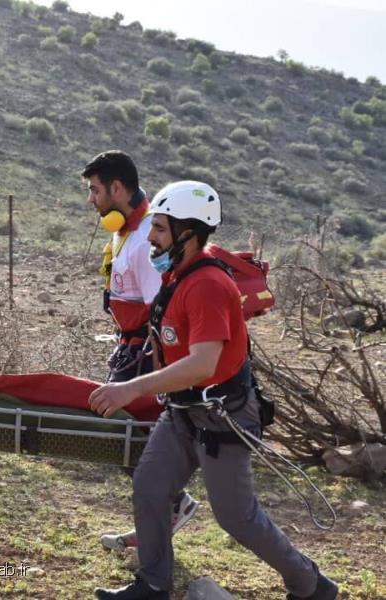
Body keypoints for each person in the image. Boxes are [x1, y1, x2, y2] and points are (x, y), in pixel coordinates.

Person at [90, 180, 337, 600]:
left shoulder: (206, 285)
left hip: (222, 417)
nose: (150, 236)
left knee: (237, 517)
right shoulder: (177, 275)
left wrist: (131, 389)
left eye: (161, 229)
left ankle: (311, 585)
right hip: (184, 412)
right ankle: (152, 584)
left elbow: (203, 364)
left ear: (190, 233)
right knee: (150, 486)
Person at [82, 151, 199, 552]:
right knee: (131, 442)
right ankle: (161, 517)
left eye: (96, 190)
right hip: (130, 348)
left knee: (131, 438)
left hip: (144, 353)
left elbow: (160, 308)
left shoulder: (147, 234)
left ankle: (170, 509)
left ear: (118, 188)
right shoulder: (123, 232)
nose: (91, 199)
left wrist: (149, 369)